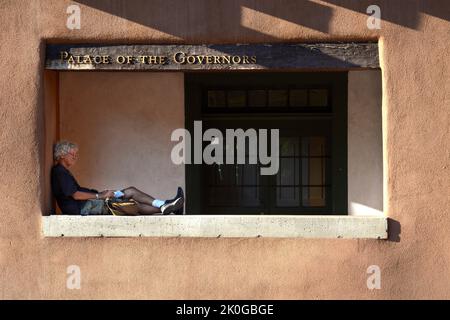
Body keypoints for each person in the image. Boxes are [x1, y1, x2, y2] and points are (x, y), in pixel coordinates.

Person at [51, 140, 184, 216]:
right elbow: (75, 195)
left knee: (130, 191)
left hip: (90, 204)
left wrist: (101, 193)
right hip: (84, 208)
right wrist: (100, 196)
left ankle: (167, 205)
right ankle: (169, 206)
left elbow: (79, 192)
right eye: (72, 154)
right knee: (131, 205)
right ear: (62, 155)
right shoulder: (59, 172)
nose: (75, 157)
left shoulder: (63, 172)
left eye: (76, 154)